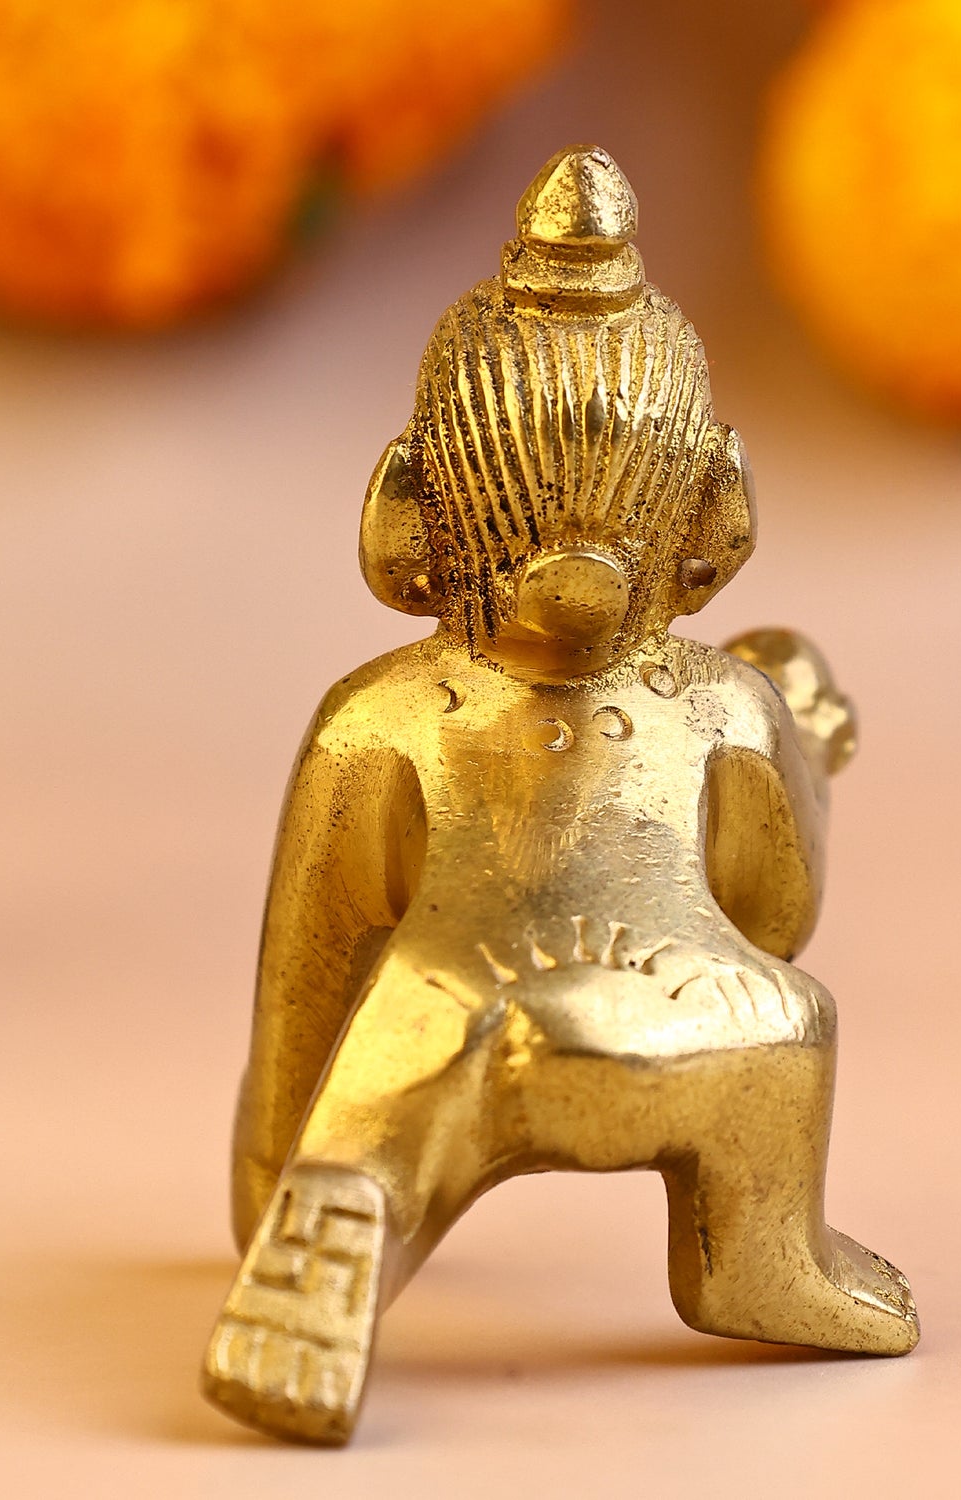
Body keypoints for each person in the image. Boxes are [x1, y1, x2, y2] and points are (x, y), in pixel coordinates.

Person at [202, 145, 919, 1445]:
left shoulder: (384, 714)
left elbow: (307, 970)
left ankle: (332, 1218)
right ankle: (761, 1254)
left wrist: (271, 1159)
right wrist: (805, 743)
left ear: (408, 516)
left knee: (376, 1105)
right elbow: (775, 915)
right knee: (793, 1021)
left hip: (453, 1032)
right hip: (688, 1034)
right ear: (718, 512)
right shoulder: (724, 704)